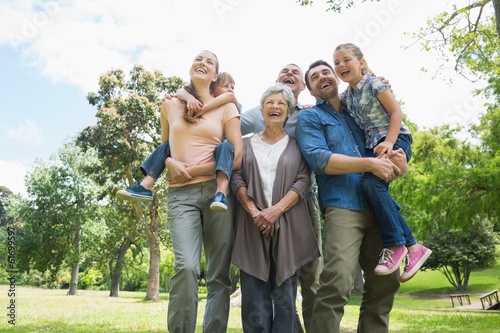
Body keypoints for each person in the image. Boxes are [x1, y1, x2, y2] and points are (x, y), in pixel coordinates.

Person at [296, 59, 409, 333]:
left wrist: (398, 165)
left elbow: (387, 140)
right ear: (311, 90)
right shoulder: (310, 117)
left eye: (327, 72)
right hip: (342, 206)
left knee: (387, 279)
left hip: (378, 205)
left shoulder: (361, 108)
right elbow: (320, 160)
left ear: (336, 78)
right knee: (338, 281)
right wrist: (369, 165)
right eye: (315, 77)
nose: (322, 77)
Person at [332, 43, 431, 282]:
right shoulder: (347, 96)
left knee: (371, 185)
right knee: (371, 189)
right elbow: (332, 105)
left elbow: (396, 113)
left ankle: (396, 244)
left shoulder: (374, 84)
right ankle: (413, 247)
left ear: (361, 62)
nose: (341, 65)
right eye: (336, 62)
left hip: (396, 140)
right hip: (374, 147)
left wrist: (389, 141)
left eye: (346, 60)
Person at [159, 50, 242, 333]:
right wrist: (169, 161)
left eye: (209, 61)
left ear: (215, 75)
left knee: (219, 275)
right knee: (186, 268)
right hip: (180, 195)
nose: (202, 62)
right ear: (190, 68)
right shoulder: (170, 104)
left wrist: (193, 170)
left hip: (217, 193)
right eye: (198, 58)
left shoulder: (226, 107)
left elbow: (237, 157)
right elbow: (163, 149)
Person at [231, 83, 320, 332]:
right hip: (251, 227)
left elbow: (303, 179)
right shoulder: (246, 144)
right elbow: (236, 177)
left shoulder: (296, 145)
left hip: (288, 228)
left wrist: (275, 211)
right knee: (253, 302)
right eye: (270, 102)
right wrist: (254, 212)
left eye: (281, 103)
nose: (275, 106)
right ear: (261, 111)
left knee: (285, 301)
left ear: (288, 112)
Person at [116, 72, 240, 211]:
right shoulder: (188, 102)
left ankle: (221, 192)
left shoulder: (230, 104)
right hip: (191, 170)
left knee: (225, 147)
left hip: (221, 157)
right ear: (212, 88)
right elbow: (181, 91)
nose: (230, 89)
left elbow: (230, 97)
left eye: (232, 87)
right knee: (166, 146)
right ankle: (145, 185)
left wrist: (203, 108)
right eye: (226, 86)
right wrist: (190, 98)